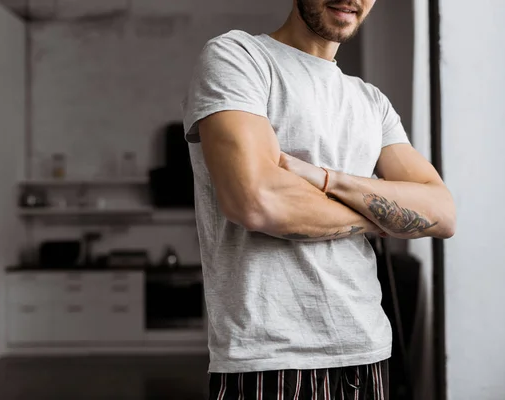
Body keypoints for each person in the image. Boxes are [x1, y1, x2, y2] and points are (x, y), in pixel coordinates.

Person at [182, 0, 456, 398]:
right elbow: (255, 201)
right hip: (270, 358)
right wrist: (380, 214)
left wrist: (325, 179)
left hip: (367, 352)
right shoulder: (239, 58)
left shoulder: (371, 102)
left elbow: (442, 213)